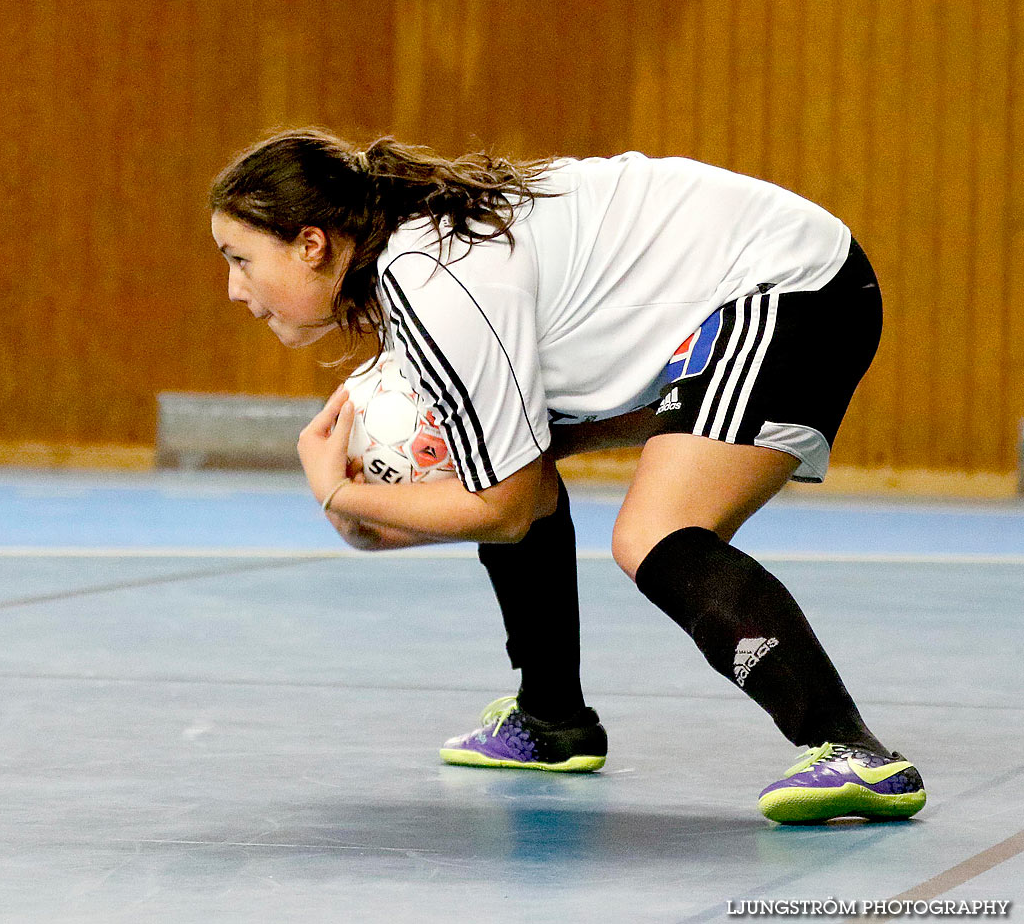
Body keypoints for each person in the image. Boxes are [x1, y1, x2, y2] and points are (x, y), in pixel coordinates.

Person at [208, 127, 926, 824]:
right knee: (515, 458)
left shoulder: (428, 280)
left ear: (311, 245)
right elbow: (519, 476)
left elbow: (506, 508)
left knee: (658, 535)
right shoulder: (423, 259)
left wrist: (343, 495)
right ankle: (552, 718)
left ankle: (853, 751)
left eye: (240, 259)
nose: (235, 289)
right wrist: (389, 517)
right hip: (762, 290)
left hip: (790, 285)